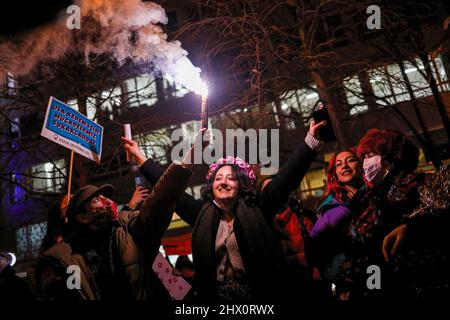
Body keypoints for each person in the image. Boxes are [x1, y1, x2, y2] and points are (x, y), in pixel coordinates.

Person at [123, 120, 326, 301]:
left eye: (230, 178)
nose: (223, 182)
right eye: (218, 178)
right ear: (211, 186)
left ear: (242, 184)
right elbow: (169, 188)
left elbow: (287, 178)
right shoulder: (201, 214)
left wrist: (311, 142)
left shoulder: (258, 207)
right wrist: (140, 157)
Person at [36, 160, 191, 300]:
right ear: (82, 218)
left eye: (104, 196)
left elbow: (158, 202)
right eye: (96, 200)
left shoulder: (128, 230)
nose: (106, 201)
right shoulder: (63, 258)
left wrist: (184, 166)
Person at [337, 129, 427, 299]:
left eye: (369, 155)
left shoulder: (413, 184)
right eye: (363, 157)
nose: (365, 162)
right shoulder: (366, 197)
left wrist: (412, 227)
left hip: (410, 282)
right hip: (376, 283)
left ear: (388, 157)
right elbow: (358, 246)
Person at [307, 148, 364, 298]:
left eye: (350, 160)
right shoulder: (332, 209)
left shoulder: (377, 194)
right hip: (353, 280)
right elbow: (315, 247)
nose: (344, 166)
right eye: (338, 164)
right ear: (335, 174)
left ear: (362, 164)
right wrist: (339, 277)